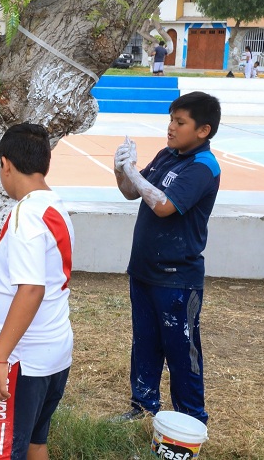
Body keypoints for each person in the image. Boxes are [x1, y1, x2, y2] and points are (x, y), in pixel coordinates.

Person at [112, 91, 222, 425]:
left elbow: (162, 205)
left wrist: (134, 173)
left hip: (177, 279)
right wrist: (121, 171)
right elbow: (134, 193)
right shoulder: (167, 154)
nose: (171, 128)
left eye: (180, 122)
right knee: (144, 343)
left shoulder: (203, 166)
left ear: (202, 130)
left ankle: (191, 419)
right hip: (144, 271)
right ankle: (143, 408)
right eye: (170, 120)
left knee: (181, 350)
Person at [0, 123, 74, 460]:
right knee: (33, 444)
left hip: (22, 360)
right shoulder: (53, 207)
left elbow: (31, 290)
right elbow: (44, 269)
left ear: (6, 165)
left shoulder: (25, 217)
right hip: (54, 353)